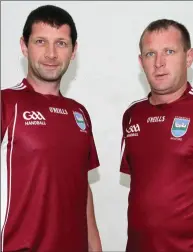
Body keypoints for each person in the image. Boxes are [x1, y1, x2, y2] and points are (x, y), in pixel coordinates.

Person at [120, 19, 193, 252]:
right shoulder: (133, 114)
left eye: (169, 52)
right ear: (141, 62)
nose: (159, 63)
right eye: (150, 54)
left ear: (189, 57)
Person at [1, 5, 102, 252]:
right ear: (24, 46)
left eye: (61, 43)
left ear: (74, 50)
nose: (51, 53)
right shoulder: (5, 104)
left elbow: (83, 187)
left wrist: (95, 246)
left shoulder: (80, 113)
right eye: (40, 42)